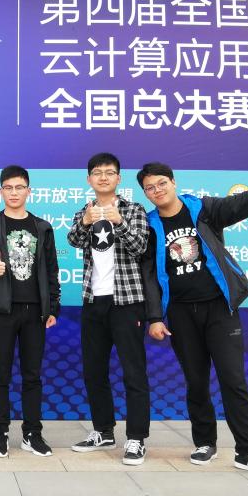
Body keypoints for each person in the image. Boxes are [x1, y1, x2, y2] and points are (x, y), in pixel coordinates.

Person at [137, 162, 248, 478]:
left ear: (173, 182)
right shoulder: (149, 227)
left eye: (161, 183)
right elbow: (149, 276)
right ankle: (205, 442)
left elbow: (243, 204)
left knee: (233, 380)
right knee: (196, 382)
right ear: (145, 193)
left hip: (219, 309)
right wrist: (154, 317)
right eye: (150, 188)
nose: (157, 191)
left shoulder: (203, 209)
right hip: (180, 313)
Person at [66, 152, 151, 465]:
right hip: (93, 300)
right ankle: (103, 430)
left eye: (109, 172)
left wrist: (119, 222)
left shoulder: (134, 210)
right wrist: (86, 222)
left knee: (133, 372)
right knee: (94, 370)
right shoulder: (84, 211)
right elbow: (73, 240)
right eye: (97, 173)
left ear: (118, 178)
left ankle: (136, 438)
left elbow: (140, 246)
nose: (103, 177)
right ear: (89, 179)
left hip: (127, 301)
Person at [0, 165, 61, 458]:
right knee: (1, 374)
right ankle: (0, 434)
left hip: (35, 312)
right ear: (1, 191)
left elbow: (52, 270)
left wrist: (53, 307)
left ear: (28, 191)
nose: (13, 193)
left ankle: (32, 434)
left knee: (32, 375)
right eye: (8, 188)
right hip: (2, 311)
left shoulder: (42, 227)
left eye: (19, 187)